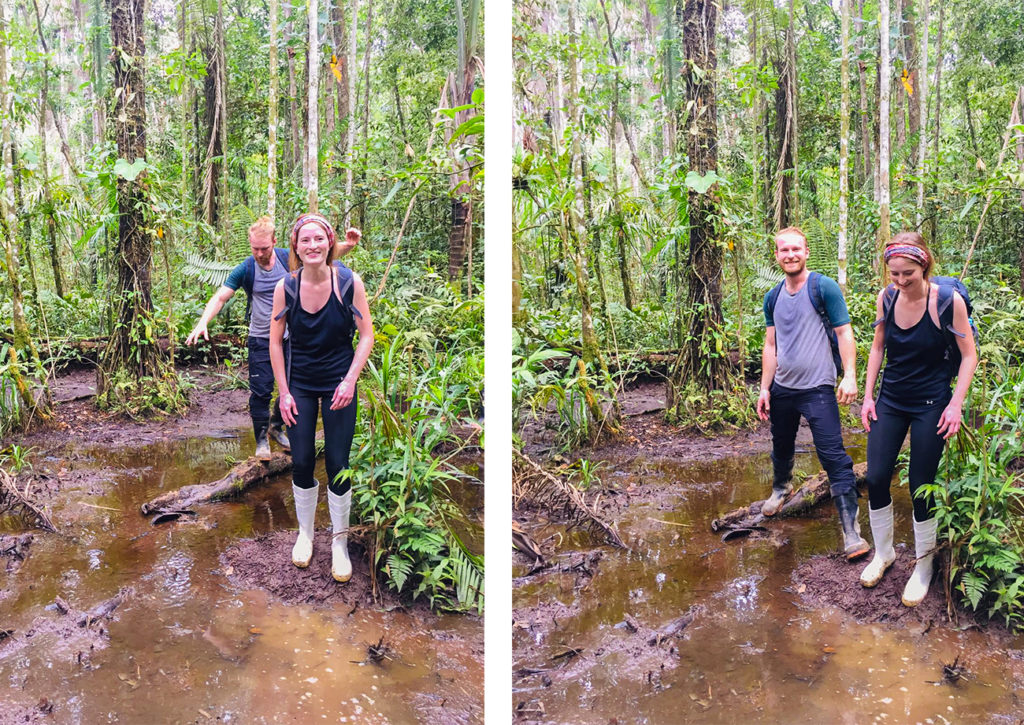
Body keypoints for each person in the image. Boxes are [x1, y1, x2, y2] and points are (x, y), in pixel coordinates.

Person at [859, 232, 977, 606]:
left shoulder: (948, 302)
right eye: (893, 273)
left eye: (907, 273)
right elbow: (878, 347)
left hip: (932, 402)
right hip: (892, 399)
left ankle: (923, 567)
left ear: (924, 265)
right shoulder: (887, 297)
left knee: (920, 484)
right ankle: (884, 553)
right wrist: (867, 397)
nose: (900, 281)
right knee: (876, 476)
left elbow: (969, 356)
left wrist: (955, 404)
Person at [185, 216, 358, 460]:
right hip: (260, 338)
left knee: (291, 386)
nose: (259, 253)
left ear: (274, 242)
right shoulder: (247, 268)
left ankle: (277, 425)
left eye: (264, 248)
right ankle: (261, 440)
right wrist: (203, 321)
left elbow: (321, 251)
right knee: (261, 390)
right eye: (254, 248)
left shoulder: (288, 258)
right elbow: (221, 296)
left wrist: (348, 245)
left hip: (291, 337)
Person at [270, 213, 374, 583]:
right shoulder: (287, 287)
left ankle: (339, 542)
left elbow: (366, 336)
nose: (312, 246)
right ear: (295, 247)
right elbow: (275, 342)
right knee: (300, 461)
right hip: (300, 382)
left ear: (329, 242)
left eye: (319, 239)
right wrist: (283, 393)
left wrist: (349, 381)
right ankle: (306, 534)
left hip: (338, 381)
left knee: (337, 461)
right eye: (305, 241)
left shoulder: (349, 282)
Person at [756, 226, 869, 560]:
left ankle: (850, 529)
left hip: (818, 386)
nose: (790, 255)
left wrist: (849, 376)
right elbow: (771, 344)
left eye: (795, 249)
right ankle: (781, 488)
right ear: (776, 255)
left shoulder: (824, 288)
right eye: (783, 250)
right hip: (783, 388)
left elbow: (844, 333)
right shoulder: (772, 297)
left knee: (833, 454)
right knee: (781, 443)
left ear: (805, 252)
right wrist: (764, 388)